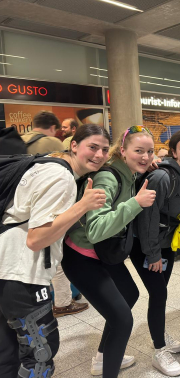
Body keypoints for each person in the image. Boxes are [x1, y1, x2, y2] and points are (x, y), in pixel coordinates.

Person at [0, 124, 110, 378]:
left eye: (105, 149)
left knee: (9, 352)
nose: (99, 155)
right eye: (92, 147)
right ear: (74, 145)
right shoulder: (61, 177)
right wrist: (83, 205)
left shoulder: (46, 164)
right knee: (40, 354)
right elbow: (36, 239)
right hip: (22, 273)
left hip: (7, 267)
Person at [62, 125, 157, 378]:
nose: (145, 157)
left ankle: (103, 357)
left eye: (150, 151)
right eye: (139, 151)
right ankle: (107, 367)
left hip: (104, 253)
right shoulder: (108, 177)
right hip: (82, 256)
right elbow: (95, 230)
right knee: (123, 320)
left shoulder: (129, 172)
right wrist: (135, 203)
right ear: (122, 151)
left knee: (130, 294)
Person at [130, 130, 180, 376]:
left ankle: (158, 334)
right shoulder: (161, 176)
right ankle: (159, 350)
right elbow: (147, 218)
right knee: (159, 294)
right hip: (147, 246)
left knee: (161, 292)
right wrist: (153, 255)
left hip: (166, 243)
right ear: (173, 152)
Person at [23, 113, 89, 319]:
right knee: (54, 257)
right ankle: (62, 302)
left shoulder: (21, 139)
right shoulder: (55, 152)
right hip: (47, 211)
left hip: (26, 210)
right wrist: (83, 205)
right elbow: (37, 239)